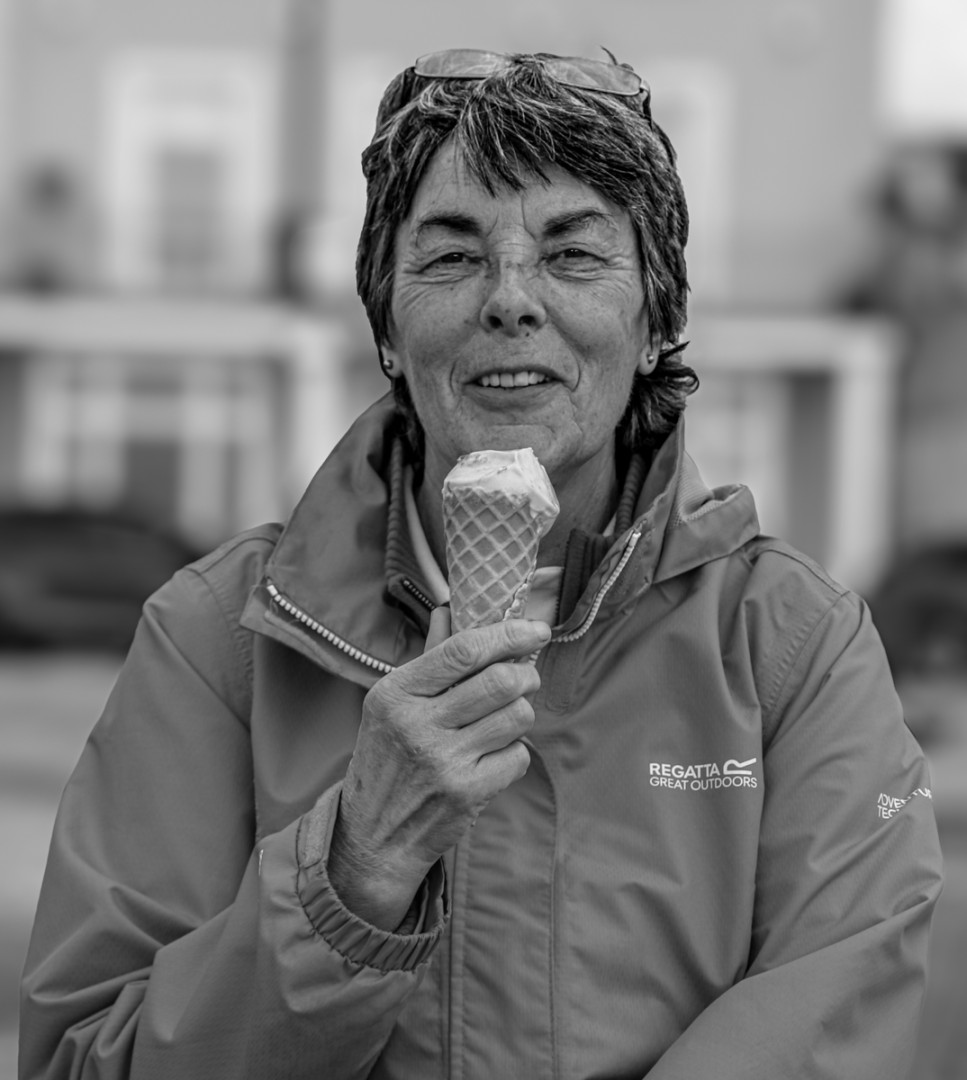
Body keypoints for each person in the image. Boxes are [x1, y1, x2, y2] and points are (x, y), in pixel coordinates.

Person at [20, 49, 942, 1079]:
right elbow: (83, 1059)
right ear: (385, 325)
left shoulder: (792, 648)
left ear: (657, 323)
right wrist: (356, 867)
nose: (510, 299)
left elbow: (836, 1026)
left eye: (573, 254)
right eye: (453, 256)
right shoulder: (220, 638)